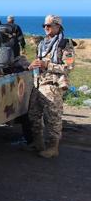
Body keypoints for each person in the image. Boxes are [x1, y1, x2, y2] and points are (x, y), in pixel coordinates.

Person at [25, 15, 75, 158]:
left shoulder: (65, 44)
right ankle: (38, 143)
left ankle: (53, 148)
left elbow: (69, 67)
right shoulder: (42, 44)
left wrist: (48, 65)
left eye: (49, 25)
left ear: (58, 26)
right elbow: (39, 62)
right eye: (44, 25)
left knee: (53, 118)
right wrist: (32, 66)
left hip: (52, 85)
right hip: (38, 83)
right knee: (33, 115)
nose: (46, 28)